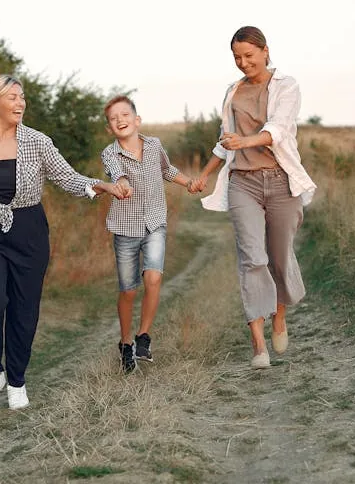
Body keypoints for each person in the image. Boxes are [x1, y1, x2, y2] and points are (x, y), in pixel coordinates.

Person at [0, 74, 127, 409]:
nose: (20, 103)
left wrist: (102, 185)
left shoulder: (38, 142)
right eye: (12, 97)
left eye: (22, 97)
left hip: (28, 231)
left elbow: (67, 177)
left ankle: (17, 380)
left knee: (25, 308)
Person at [189, 26, 316, 369]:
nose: (243, 63)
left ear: (265, 51)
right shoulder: (233, 92)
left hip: (280, 182)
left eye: (248, 55)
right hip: (242, 183)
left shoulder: (286, 86)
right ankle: (258, 344)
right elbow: (224, 140)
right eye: (236, 57)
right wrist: (204, 174)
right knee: (252, 258)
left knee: (278, 257)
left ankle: (279, 316)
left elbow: (278, 128)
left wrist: (244, 142)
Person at [100, 95, 196, 374]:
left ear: (137, 120)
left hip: (155, 222)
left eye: (124, 115)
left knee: (153, 277)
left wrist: (188, 182)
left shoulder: (154, 145)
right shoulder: (110, 153)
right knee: (129, 290)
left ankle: (143, 337)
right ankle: (126, 342)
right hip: (125, 228)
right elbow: (116, 172)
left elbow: (167, 170)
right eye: (113, 118)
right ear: (110, 128)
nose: (120, 120)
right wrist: (121, 182)